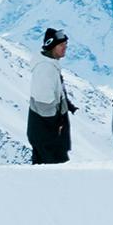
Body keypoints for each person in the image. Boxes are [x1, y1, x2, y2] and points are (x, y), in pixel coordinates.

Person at [27, 27, 75, 164]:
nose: (65, 48)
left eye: (66, 45)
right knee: (53, 173)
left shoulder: (50, 65)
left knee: (48, 171)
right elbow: (44, 102)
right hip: (47, 132)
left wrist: (67, 106)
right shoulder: (45, 68)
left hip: (46, 132)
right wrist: (56, 123)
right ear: (51, 46)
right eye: (61, 45)